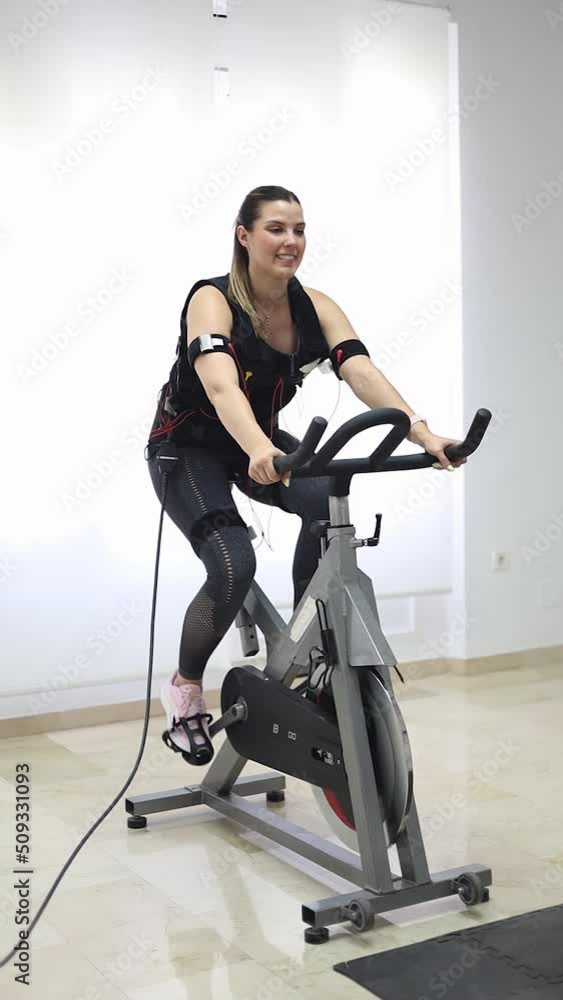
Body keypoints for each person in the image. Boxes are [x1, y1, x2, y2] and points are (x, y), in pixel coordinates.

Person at [146, 184, 467, 766]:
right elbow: (220, 385)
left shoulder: (314, 307)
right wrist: (257, 447)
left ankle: (304, 645)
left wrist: (422, 433)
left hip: (261, 443)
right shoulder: (212, 300)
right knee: (233, 564)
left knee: (325, 507)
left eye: (298, 229)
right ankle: (185, 688)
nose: (290, 241)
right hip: (187, 449)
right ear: (244, 237)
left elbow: (361, 372)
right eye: (276, 228)